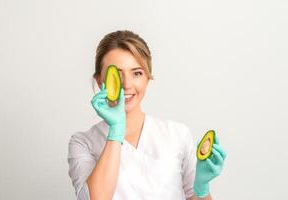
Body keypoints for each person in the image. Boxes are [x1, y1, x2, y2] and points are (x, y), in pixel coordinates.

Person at [68, 30, 226, 200]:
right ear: (100, 81)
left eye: (137, 73)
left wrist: (201, 188)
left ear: (147, 78)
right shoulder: (83, 143)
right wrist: (116, 130)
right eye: (117, 74)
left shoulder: (177, 134)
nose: (127, 84)